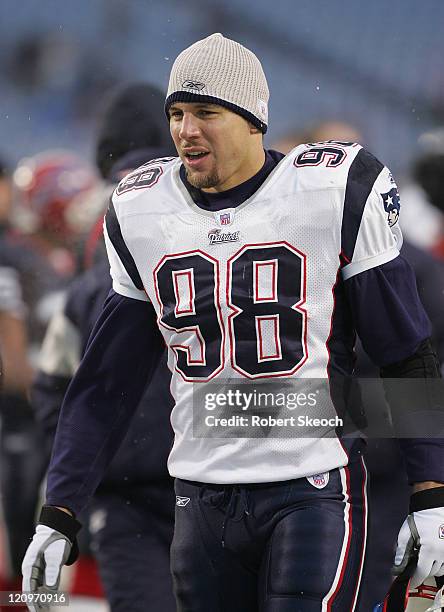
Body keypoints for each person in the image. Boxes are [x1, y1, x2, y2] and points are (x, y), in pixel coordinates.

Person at [22, 34, 444, 612]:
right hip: (199, 498)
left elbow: (405, 352)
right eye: (176, 113)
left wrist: (432, 493)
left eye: (205, 112)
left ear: (253, 121)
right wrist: (59, 509)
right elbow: (104, 384)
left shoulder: (330, 189)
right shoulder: (143, 209)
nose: (185, 129)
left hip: (314, 486)